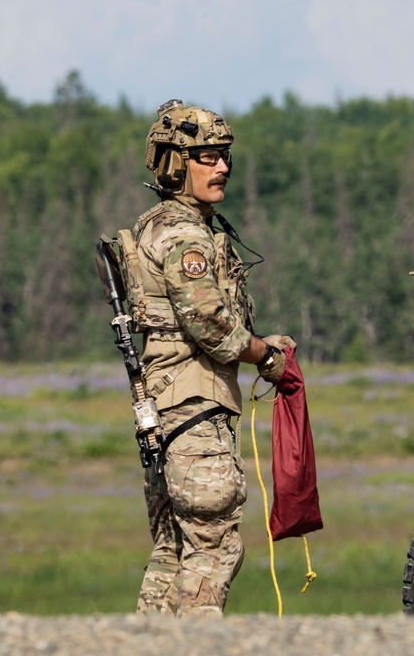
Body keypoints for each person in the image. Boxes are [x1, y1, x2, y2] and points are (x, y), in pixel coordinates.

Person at [126, 99, 295, 616]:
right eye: (206, 156)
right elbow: (213, 328)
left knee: (172, 552)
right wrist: (268, 355)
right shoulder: (183, 236)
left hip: (166, 412)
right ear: (176, 164)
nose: (222, 166)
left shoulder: (157, 226)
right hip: (194, 413)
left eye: (225, 156)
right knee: (215, 547)